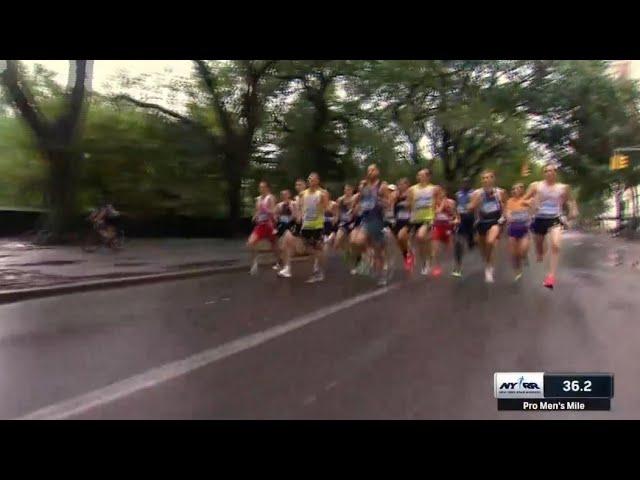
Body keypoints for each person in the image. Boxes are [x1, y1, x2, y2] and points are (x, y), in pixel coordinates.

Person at [523, 163, 579, 289]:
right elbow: (523, 200)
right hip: (539, 218)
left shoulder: (563, 188)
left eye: (552, 171)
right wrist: (530, 202)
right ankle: (539, 253)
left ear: (556, 173)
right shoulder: (536, 186)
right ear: (543, 173)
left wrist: (573, 210)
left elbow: (570, 200)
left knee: (556, 244)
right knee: (539, 247)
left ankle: (550, 277)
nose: (549, 173)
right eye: (546, 171)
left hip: (555, 218)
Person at [278, 172, 330, 283]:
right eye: (309, 179)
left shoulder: (322, 193)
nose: (310, 181)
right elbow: (301, 208)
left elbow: (326, 208)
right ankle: (316, 266)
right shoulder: (303, 194)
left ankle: (318, 271)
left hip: (317, 225)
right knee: (309, 249)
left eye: (313, 179)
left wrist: (321, 206)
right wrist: (299, 216)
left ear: (317, 181)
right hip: (306, 225)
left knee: (316, 248)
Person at [350, 164, 391, 285]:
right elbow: (360, 200)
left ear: (377, 172)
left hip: (377, 219)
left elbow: (388, 203)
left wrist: (380, 200)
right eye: (369, 170)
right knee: (356, 241)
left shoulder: (382, 186)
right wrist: (356, 208)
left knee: (379, 249)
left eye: (373, 170)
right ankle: (369, 255)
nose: (370, 172)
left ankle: (382, 274)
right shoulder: (364, 185)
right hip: (365, 219)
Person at [468, 170, 507, 283]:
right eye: (484, 178)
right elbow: (470, 208)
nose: (486, 180)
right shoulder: (476, 193)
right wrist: (474, 203)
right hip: (481, 223)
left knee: (490, 242)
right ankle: (488, 262)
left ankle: (489, 268)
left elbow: (506, 206)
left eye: (488, 177)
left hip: (494, 221)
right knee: (484, 249)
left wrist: (504, 217)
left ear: (493, 179)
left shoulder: (500, 192)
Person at [407, 168, 442, 276]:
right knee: (421, 242)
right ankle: (425, 261)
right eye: (418, 175)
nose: (419, 177)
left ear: (428, 177)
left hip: (428, 218)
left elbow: (440, 201)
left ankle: (428, 260)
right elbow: (409, 204)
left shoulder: (433, 189)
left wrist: (437, 210)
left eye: (422, 175)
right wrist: (410, 209)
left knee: (420, 236)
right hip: (416, 218)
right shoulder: (412, 189)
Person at [247, 180, 279, 275]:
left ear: (267, 188)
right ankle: (254, 264)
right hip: (261, 225)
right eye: (260, 187)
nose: (261, 189)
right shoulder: (258, 199)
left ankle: (278, 262)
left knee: (274, 245)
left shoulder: (270, 198)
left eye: (263, 187)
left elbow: (273, 211)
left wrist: (267, 210)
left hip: (269, 225)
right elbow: (257, 211)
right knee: (250, 242)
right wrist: (255, 216)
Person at [505, 183, 532, 282]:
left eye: (517, 188)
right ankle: (518, 272)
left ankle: (524, 256)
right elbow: (507, 212)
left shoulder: (526, 200)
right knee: (514, 254)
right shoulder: (509, 201)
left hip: (524, 229)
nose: (515, 190)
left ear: (522, 190)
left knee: (522, 251)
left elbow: (533, 209)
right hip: (512, 229)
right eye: (513, 189)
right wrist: (508, 216)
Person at [432, 188, 458, 277]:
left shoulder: (451, 202)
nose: (440, 194)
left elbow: (456, 216)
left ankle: (455, 267)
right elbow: (436, 212)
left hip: (448, 227)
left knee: (450, 249)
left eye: (441, 193)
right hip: (438, 227)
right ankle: (437, 267)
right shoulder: (434, 203)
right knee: (436, 248)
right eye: (438, 193)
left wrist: (455, 220)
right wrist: (442, 204)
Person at [452, 177, 475, 277]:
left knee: (471, 243)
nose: (465, 184)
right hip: (461, 220)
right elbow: (455, 206)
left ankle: (472, 242)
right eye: (463, 182)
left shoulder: (474, 193)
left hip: (471, 219)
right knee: (458, 242)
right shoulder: (458, 194)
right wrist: (456, 217)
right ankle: (458, 266)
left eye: (467, 183)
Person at [390, 178, 413, 272]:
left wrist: (408, 201)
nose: (401, 186)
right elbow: (391, 206)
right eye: (399, 184)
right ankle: (406, 255)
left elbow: (412, 205)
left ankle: (409, 254)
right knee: (399, 242)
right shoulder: (395, 195)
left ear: (407, 185)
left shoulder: (411, 193)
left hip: (408, 220)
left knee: (401, 237)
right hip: (397, 220)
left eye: (403, 184)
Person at [334, 183, 357, 260]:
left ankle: (356, 259)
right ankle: (346, 252)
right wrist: (336, 218)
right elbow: (337, 212)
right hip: (344, 223)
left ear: (352, 190)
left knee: (353, 243)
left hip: (353, 223)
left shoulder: (355, 199)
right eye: (346, 189)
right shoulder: (340, 200)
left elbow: (357, 213)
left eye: (349, 190)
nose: (347, 191)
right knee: (337, 241)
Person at [274, 189, 295, 270]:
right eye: (282, 194)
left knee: (284, 244)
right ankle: (280, 261)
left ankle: (283, 263)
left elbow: (294, 215)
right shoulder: (279, 205)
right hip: (281, 224)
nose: (284, 196)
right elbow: (275, 215)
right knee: (279, 244)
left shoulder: (292, 203)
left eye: (285, 194)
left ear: (289, 195)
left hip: (290, 225)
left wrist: (290, 217)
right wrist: (277, 218)